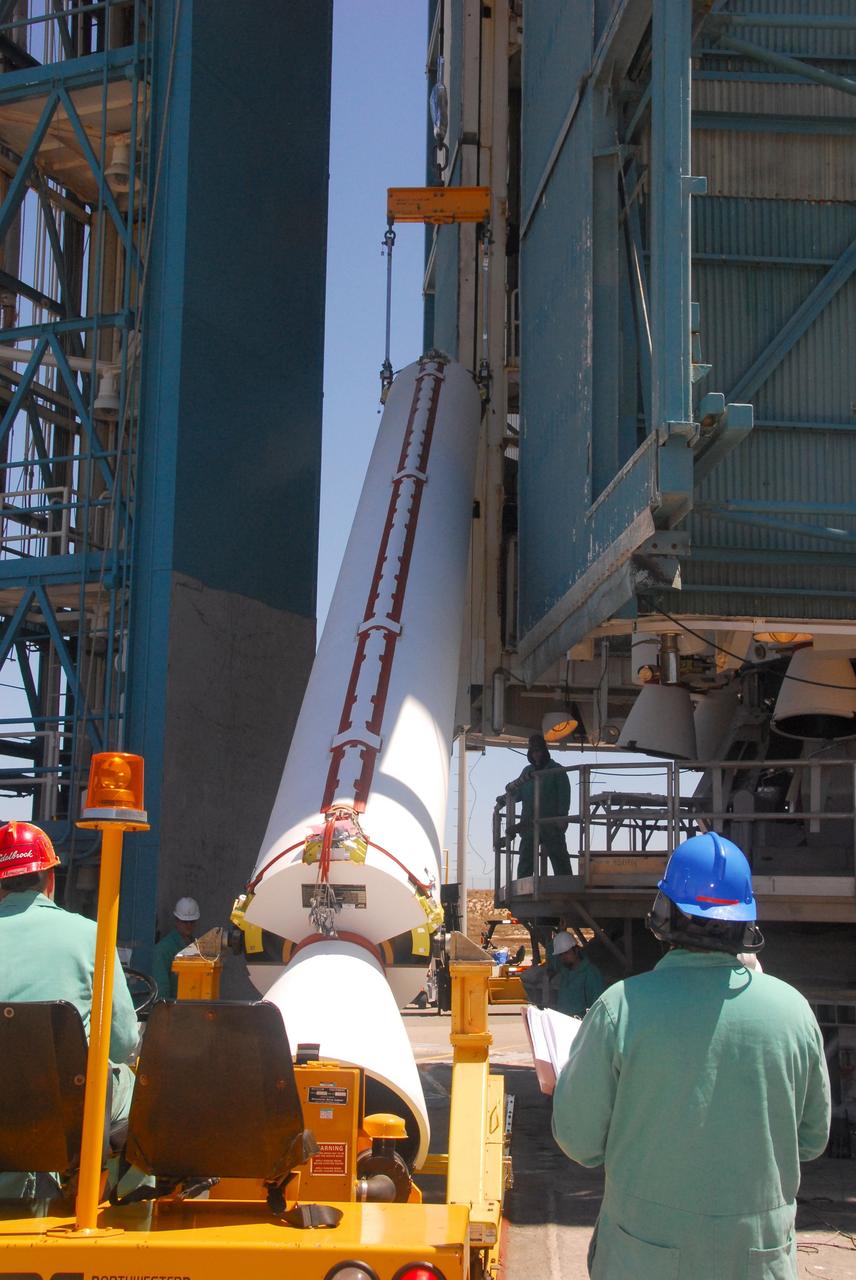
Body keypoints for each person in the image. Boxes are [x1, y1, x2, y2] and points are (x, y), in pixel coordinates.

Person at [551, 832, 831, 1280]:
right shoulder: (795, 1012)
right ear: (747, 920)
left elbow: (579, 1141)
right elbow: (813, 1140)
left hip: (643, 1258)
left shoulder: (619, 1009)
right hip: (759, 1259)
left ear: (664, 915)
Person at [0, 820, 143, 1200]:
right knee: (145, 1093)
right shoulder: (91, 936)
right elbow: (124, 1043)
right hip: (64, 1113)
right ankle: (132, 1220)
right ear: (50, 879)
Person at [508, 733, 572, 877]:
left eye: (539, 750)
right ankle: (524, 884)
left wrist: (562, 816)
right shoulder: (527, 772)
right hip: (529, 824)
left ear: (545, 751)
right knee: (526, 856)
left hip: (551, 823)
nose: (536, 754)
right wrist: (507, 794)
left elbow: (564, 794)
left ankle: (565, 882)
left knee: (558, 855)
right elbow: (518, 793)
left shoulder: (557, 770)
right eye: (533, 751)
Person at [151, 896, 200, 999]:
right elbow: (162, 988)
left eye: (192, 922)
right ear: (176, 921)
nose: (189, 925)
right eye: (185, 922)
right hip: (175, 1009)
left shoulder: (197, 947)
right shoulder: (163, 950)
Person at [549, 930, 604, 1018]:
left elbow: (596, 1005)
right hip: (562, 1020)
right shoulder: (565, 970)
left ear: (576, 950)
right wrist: (559, 930)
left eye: (567, 953)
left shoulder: (590, 973)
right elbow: (552, 961)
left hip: (579, 1023)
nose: (564, 957)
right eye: (561, 955)